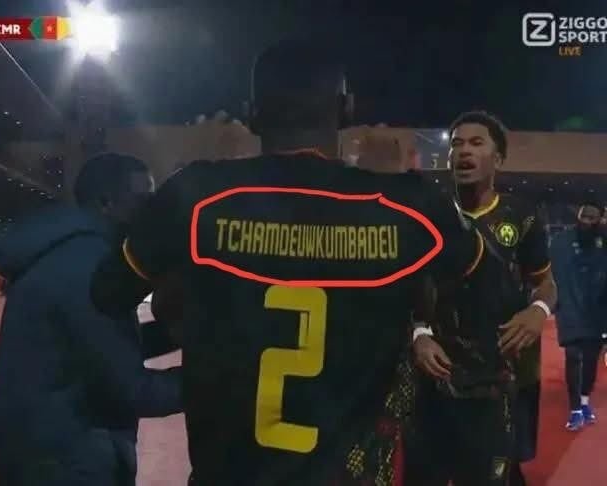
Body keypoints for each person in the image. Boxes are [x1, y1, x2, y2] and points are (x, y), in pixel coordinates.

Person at [90, 39, 493, 485]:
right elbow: (491, 285)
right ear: (347, 109)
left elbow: (107, 292)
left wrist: (192, 307)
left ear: (252, 114)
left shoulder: (194, 195)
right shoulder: (409, 206)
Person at [0, 153, 184, 486]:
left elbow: (100, 346)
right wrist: (218, 379)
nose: (152, 212)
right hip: (62, 458)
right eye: (143, 200)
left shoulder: (73, 250)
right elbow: (133, 390)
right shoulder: (89, 266)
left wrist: (176, 335)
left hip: (39, 446)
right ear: (107, 203)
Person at [407, 111, 557, 486]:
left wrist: (538, 310)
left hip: (496, 382)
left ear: (498, 158)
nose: (463, 151)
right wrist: (419, 334)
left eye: (476, 143)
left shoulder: (521, 216)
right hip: (432, 379)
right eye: (457, 144)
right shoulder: (427, 214)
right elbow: (406, 287)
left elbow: (545, 283)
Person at [550, 200, 607, 430]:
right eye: (584, 216)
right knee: (573, 355)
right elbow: (550, 272)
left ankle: (584, 401)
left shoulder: (603, 242)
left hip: (597, 310)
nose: (587, 221)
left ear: (600, 220)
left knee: (591, 358)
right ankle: (574, 409)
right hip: (569, 306)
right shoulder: (561, 242)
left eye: (593, 218)